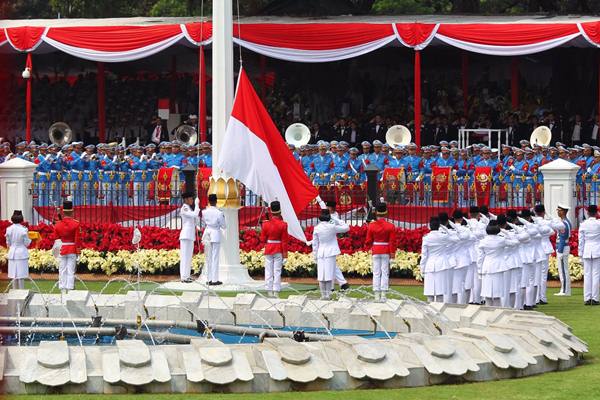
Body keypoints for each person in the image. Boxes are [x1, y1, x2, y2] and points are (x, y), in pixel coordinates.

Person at [312, 209, 349, 300]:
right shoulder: (332, 227)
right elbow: (346, 227)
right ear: (329, 217)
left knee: (321, 275)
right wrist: (336, 219)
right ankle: (327, 296)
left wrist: (315, 255)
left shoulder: (317, 228)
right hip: (330, 252)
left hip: (321, 252)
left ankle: (323, 295)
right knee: (328, 274)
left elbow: (315, 244)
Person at [420, 216, 459, 302]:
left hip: (429, 266)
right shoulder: (443, 237)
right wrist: (446, 229)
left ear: (430, 226)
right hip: (441, 265)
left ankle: (429, 312)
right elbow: (457, 238)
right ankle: (438, 312)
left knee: (430, 293)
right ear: (439, 226)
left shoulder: (426, 238)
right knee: (439, 293)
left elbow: (424, 256)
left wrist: (422, 269)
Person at [365, 203, 396, 302]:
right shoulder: (390, 226)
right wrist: (392, 255)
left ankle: (376, 295)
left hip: (376, 249)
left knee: (376, 273)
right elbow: (392, 242)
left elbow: (368, 241)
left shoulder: (372, 225)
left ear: (376, 213)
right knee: (385, 273)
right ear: (386, 213)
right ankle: (383, 295)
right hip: (386, 250)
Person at [260, 201, 288, 298]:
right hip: (278, 249)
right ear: (280, 211)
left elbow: (262, 239)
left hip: (269, 248)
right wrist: (285, 255)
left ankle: (269, 290)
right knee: (277, 271)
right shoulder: (283, 224)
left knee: (268, 270)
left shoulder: (265, 224)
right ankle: (276, 291)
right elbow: (284, 241)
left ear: (271, 211)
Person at [53, 200, 81, 294]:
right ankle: (70, 288)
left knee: (62, 270)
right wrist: (78, 252)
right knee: (70, 270)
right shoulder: (76, 223)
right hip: (72, 249)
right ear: (72, 211)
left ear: (63, 212)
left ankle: (62, 289)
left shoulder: (58, 224)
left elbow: (56, 240)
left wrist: (56, 252)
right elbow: (77, 239)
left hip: (62, 248)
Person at [202, 193, 226, 285]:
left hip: (207, 233)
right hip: (215, 233)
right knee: (215, 257)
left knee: (208, 258)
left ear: (209, 201)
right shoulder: (219, 213)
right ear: (216, 201)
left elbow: (204, 222)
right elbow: (224, 226)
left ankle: (208, 278)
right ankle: (214, 280)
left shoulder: (204, 212)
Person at [578, 205, 600, 305]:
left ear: (587, 213)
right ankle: (595, 298)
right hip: (597, 249)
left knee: (587, 275)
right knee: (596, 274)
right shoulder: (598, 224)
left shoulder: (583, 224)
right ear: (596, 213)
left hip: (587, 249)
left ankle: (587, 298)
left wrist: (580, 253)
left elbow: (581, 240)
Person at [326, 200, 350, 291]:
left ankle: (341, 283)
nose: (327, 208)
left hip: (330, 243)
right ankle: (338, 285)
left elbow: (331, 227)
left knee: (331, 265)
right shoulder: (331, 215)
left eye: (328, 207)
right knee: (331, 265)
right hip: (328, 243)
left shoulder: (334, 217)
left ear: (332, 208)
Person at [5, 210, 31, 290]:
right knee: (21, 276)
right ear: (21, 218)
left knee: (13, 275)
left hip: (12, 253)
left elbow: (8, 243)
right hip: (21, 253)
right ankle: (21, 292)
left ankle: (14, 292)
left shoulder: (9, 229)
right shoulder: (23, 229)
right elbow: (26, 243)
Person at [179, 192, 200, 283]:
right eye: (191, 199)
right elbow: (195, 215)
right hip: (186, 235)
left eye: (192, 199)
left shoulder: (189, 209)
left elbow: (194, 219)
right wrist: (197, 205)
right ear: (186, 200)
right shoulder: (184, 208)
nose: (192, 200)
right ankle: (183, 277)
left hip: (190, 235)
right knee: (184, 256)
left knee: (188, 256)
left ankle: (187, 276)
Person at [552, 204, 572, 296]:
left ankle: (564, 291)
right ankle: (565, 290)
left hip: (562, 247)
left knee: (563, 270)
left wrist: (559, 250)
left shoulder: (564, 223)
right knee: (563, 269)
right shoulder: (564, 222)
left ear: (563, 211)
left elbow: (563, 237)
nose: (558, 212)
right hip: (562, 247)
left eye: (559, 210)